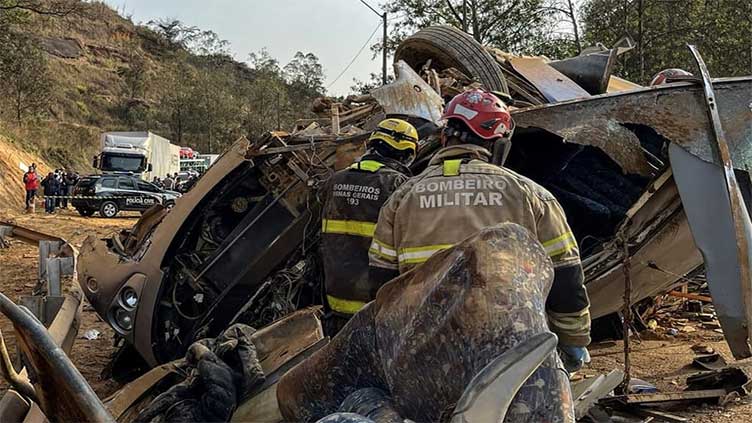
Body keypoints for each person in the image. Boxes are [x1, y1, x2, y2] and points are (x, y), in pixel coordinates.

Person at [369, 89, 591, 372]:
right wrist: (574, 341)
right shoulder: (531, 195)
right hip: (512, 352)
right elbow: (566, 277)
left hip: (426, 353)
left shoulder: (401, 199)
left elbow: (381, 286)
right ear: (500, 145)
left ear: (443, 138)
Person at [319, 118, 418, 335]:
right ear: (407, 154)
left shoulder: (335, 181)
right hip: (374, 306)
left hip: (334, 302)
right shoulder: (399, 186)